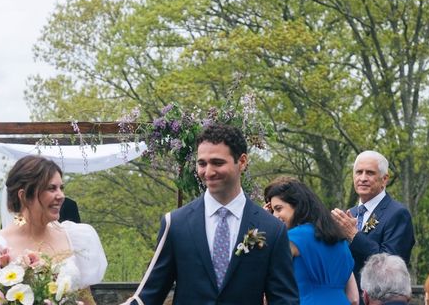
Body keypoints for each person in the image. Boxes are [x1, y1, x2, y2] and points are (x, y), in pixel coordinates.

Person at [125, 123, 299, 305]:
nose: (208, 172)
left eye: (217, 162)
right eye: (202, 163)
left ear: (242, 161)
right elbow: (148, 295)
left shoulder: (272, 229)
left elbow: (284, 300)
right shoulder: (175, 223)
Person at [0, 155, 107, 305]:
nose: (61, 196)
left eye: (61, 188)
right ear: (24, 195)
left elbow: (86, 298)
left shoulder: (75, 237)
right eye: (51, 188)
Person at [331, 151, 415, 304]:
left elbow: (391, 266)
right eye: (359, 172)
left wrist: (354, 235)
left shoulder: (397, 214)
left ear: (384, 179)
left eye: (369, 173)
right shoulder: (349, 214)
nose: (363, 178)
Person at [264, 177, 358, 305]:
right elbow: (354, 299)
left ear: (297, 205)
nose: (275, 215)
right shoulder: (340, 239)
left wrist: (263, 223)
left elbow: (267, 282)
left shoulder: (292, 238)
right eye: (272, 210)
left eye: (278, 208)